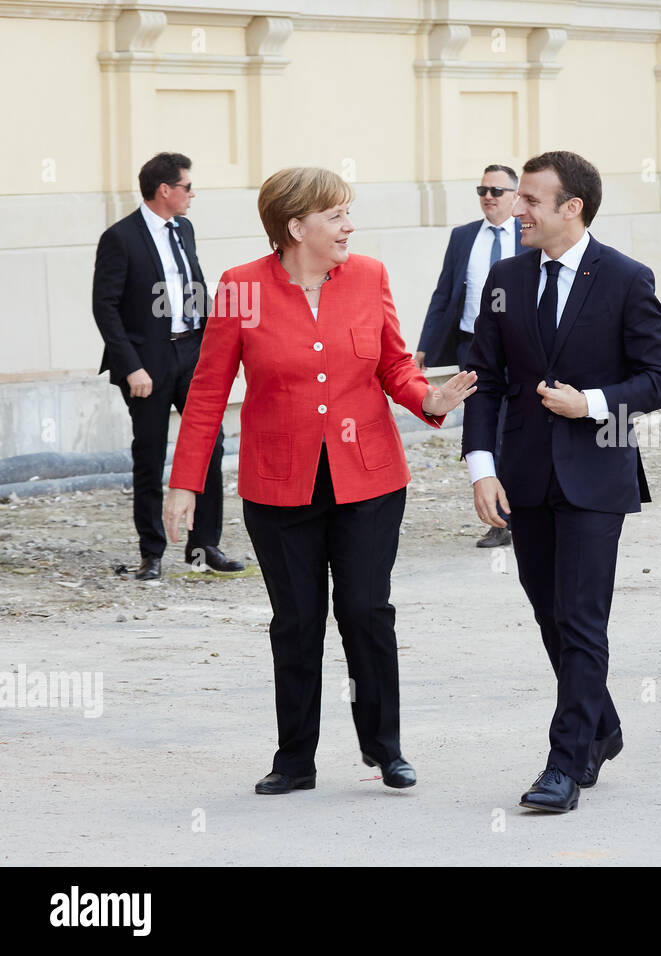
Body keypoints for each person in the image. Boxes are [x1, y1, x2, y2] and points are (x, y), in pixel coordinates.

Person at [162, 167, 476, 795]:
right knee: (297, 621)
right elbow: (207, 392)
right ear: (295, 226)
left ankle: (384, 748)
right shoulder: (240, 287)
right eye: (336, 216)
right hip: (280, 486)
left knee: (366, 611)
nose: (349, 227)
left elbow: (394, 365)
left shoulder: (369, 276)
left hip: (370, 480)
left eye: (347, 214)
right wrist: (184, 483)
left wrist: (429, 399)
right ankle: (294, 759)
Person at [463, 150, 661, 812]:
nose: (516, 210)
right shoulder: (505, 277)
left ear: (572, 208)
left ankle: (564, 763)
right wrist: (481, 467)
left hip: (596, 476)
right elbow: (486, 380)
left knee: (582, 617)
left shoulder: (625, 278)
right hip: (524, 477)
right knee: (549, 612)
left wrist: (590, 403)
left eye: (530, 200)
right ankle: (601, 726)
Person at [91, 152, 241, 580]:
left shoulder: (184, 229)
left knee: (210, 444)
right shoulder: (120, 238)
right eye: (187, 187)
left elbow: (195, 285)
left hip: (192, 353)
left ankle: (203, 547)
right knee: (150, 453)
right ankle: (152, 552)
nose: (193, 194)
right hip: (148, 363)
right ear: (165, 190)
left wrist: (214, 347)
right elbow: (105, 306)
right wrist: (131, 367)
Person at [415, 164, 526, 548]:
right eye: (482, 191)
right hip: (473, 347)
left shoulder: (529, 234)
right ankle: (500, 520)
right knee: (484, 427)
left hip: (520, 346)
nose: (488, 197)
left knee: (517, 427)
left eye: (497, 191)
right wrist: (425, 345)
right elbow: (444, 292)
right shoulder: (463, 236)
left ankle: (527, 511)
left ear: (515, 195)